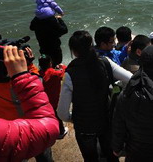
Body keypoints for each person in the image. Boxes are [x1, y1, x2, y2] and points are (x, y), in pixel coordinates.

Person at [57, 30, 132, 162]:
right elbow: (130, 78)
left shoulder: (70, 74)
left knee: (90, 158)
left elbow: (62, 113)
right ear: (91, 45)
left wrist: (73, 118)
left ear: (74, 51)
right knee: (111, 156)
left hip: (84, 127)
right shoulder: (105, 62)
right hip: (105, 120)